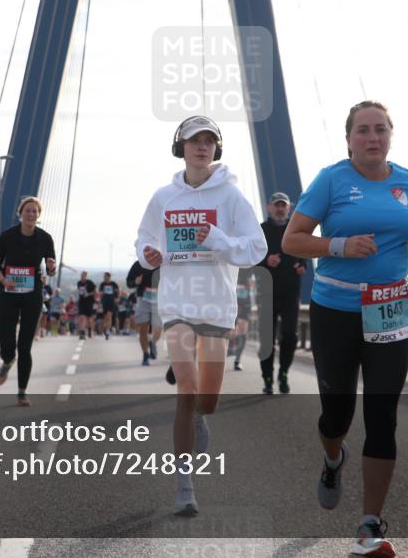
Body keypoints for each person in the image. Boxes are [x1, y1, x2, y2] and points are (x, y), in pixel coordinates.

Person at [282, 101, 408, 557]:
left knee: (382, 415)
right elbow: (293, 239)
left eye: (380, 130)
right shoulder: (331, 180)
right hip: (336, 310)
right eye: (363, 131)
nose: (372, 138)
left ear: (391, 135)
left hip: (391, 308)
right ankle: (334, 457)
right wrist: (339, 244)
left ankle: (370, 524)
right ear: (348, 138)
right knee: (338, 415)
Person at [136, 115, 266, 516]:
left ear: (217, 148)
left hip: (215, 306)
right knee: (187, 393)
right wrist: (149, 254)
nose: (202, 146)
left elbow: (255, 249)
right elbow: (144, 238)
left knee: (206, 402)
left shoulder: (230, 197)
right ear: (182, 146)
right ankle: (184, 485)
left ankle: (201, 419)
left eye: (210, 140)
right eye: (195, 139)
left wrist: (217, 238)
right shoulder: (164, 197)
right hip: (176, 305)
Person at [0, 196, 56, 406]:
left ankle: (22, 391)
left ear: (39, 216)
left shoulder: (45, 238)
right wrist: (3, 279)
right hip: (9, 293)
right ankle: (7, 360)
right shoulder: (7, 236)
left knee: (25, 345)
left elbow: (51, 268)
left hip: (32, 294)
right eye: (28, 211)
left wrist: (52, 266)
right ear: (20, 213)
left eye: (35, 212)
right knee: (7, 343)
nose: (31, 215)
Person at [257, 191, 306, 394]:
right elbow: (249, 259)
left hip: (290, 294)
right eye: (276, 205)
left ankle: (283, 373)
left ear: (289, 208)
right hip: (267, 294)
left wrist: (303, 267)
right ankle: (267, 378)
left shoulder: (295, 230)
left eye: (283, 205)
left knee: (290, 336)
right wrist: (266, 260)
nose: (279, 209)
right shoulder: (261, 230)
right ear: (269, 207)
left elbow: (305, 255)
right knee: (267, 339)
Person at [128, 259, 162, 366]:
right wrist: (135, 282)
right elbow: (129, 282)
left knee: (158, 328)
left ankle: (152, 342)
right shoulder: (138, 264)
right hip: (143, 298)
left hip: (159, 299)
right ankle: (145, 354)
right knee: (143, 329)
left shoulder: (162, 262)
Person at [228, 267, 253, 372]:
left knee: (243, 331)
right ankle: (230, 345)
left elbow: (253, 282)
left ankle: (238, 360)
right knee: (231, 331)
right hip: (229, 299)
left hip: (244, 300)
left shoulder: (249, 262)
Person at [76, 271, 96, 339]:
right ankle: (82, 332)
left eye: (84, 275)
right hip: (81, 302)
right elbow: (79, 291)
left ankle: (90, 330)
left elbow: (95, 292)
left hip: (89, 302)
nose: (83, 277)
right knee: (82, 317)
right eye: (82, 275)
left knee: (89, 319)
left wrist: (88, 294)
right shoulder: (79, 283)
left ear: (86, 276)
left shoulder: (90, 283)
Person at [99, 272, 119, 338]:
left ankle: (108, 330)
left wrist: (117, 298)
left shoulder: (113, 284)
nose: (104, 277)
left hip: (111, 301)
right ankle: (105, 328)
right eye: (104, 276)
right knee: (105, 317)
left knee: (109, 315)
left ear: (109, 277)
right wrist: (101, 293)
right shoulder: (102, 284)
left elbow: (118, 290)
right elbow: (100, 292)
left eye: (105, 276)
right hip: (104, 302)